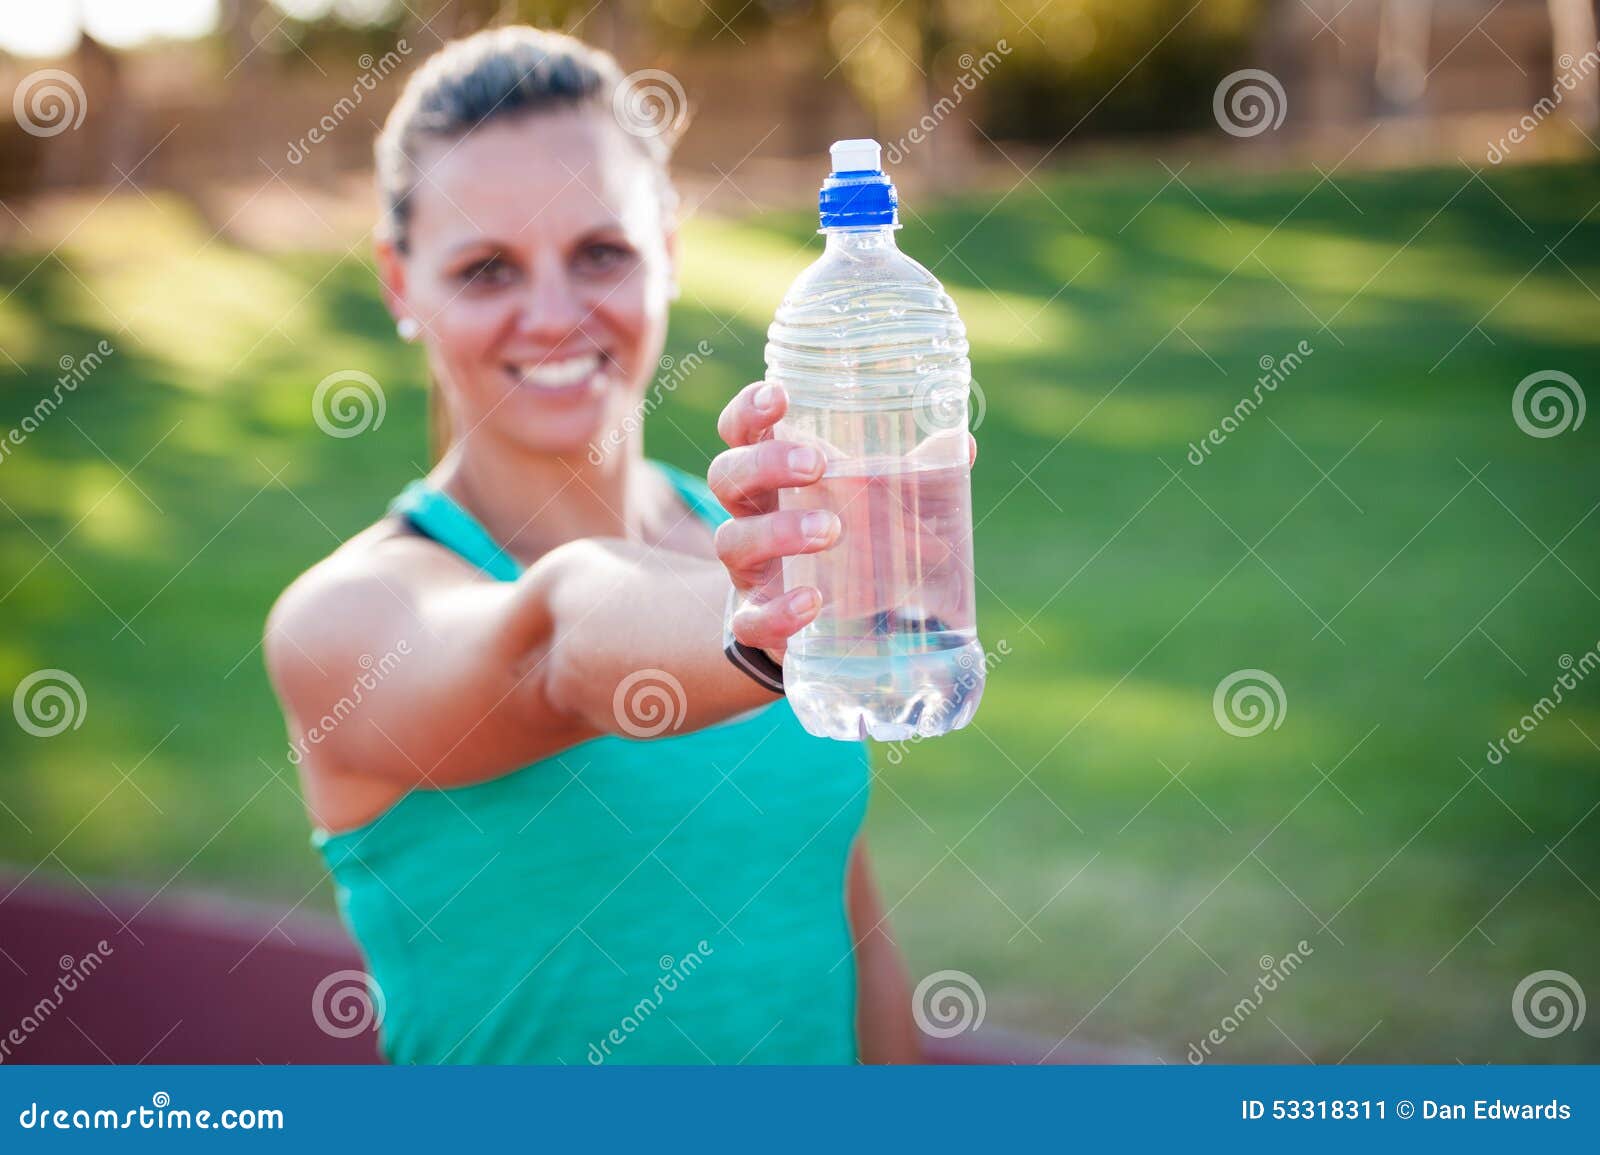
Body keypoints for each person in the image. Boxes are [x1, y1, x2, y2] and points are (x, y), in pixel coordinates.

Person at [264, 25, 927, 1065]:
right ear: (400, 284)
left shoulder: (753, 544)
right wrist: (767, 618)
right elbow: (554, 647)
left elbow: (848, 937)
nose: (554, 315)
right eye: (487, 268)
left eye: (600, 252)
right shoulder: (341, 623)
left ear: (666, 247)